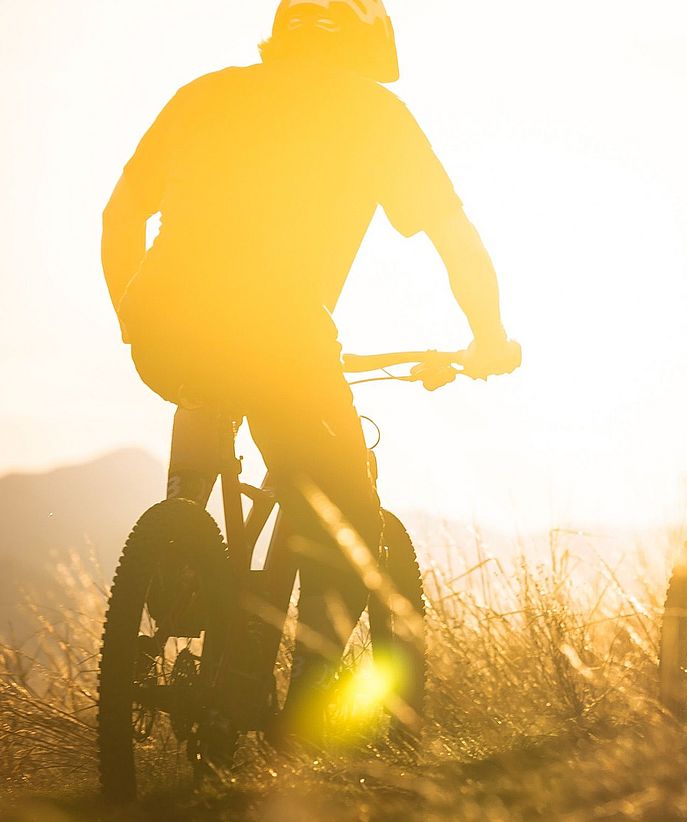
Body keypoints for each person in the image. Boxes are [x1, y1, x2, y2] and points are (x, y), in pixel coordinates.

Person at [100, 0, 519, 733]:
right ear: (365, 47)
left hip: (165, 334)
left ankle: (183, 552)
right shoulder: (373, 113)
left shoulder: (204, 93)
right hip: (281, 340)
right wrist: (489, 337)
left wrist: (132, 319)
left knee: (207, 386)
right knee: (348, 514)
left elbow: (120, 216)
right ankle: (293, 704)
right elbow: (456, 238)